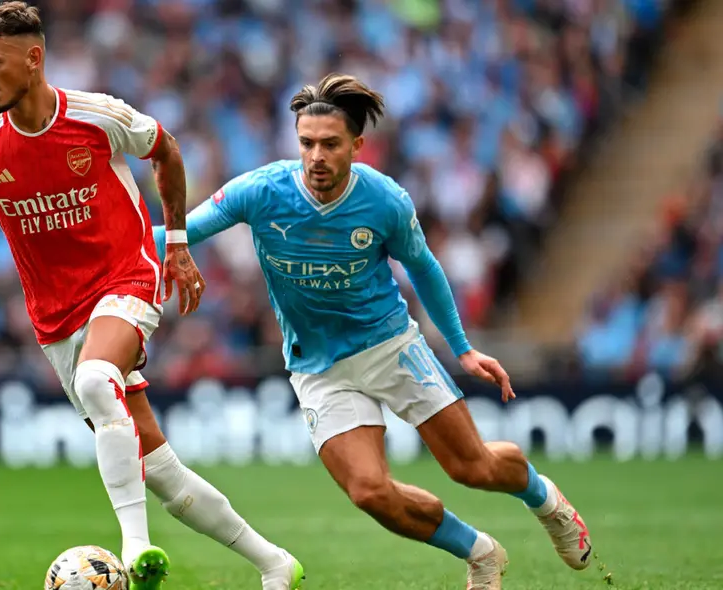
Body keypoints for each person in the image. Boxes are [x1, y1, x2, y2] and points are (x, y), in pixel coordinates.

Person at [0, 3, 304, 589]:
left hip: (127, 276)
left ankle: (135, 549)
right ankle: (275, 563)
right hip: (56, 318)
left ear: (33, 58)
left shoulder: (96, 115)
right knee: (160, 470)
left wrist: (178, 244)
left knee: (96, 381)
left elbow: (165, 148)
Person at [153, 73, 593, 589]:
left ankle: (546, 500)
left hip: (390, 347)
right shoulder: (260, 191)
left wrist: (462, 348)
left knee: (472, 467)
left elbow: (424, 268)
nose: (316, 156)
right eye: (306, 143)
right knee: (369, 492)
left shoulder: (385, 201)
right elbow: (179, 233)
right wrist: (98, 242)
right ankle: (480, 552)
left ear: (357, 146)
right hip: (318, 367)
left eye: (330, 144)